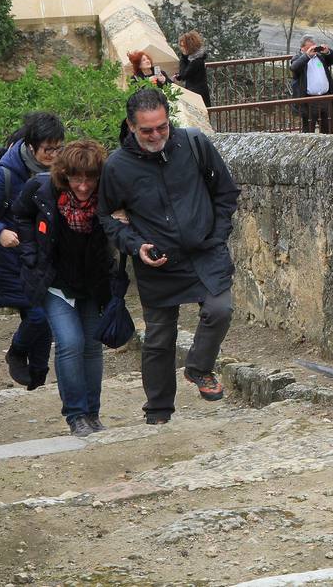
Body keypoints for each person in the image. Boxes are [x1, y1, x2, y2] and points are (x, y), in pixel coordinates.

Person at [97, 90, 240, 425]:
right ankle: (158, 411)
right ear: (131, 127)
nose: (157, 135)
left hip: (205, 252)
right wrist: (136, 246)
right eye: (147, 130)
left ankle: (199, 367)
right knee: (160, 339)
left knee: (220, 310)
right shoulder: (118, 166)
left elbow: (226, 192)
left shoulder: (193, 144)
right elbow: (107, 217)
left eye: (162, 127)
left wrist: (217, 234)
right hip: (158, 263)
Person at [14, 140, 127, 438]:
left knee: (92, 346)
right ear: (64, 175)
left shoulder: (108, 198)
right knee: (70, 342)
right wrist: (30, 254)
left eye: (90, 178)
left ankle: (92, 413)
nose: (83, 186)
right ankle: (75, 414)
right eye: (77, 178)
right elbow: (20, 216)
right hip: (54, 282)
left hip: (92, 282)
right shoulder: (41, 191)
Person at [0, 111, 65, 390]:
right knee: (38, 316)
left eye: (58, 148)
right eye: (48, 150)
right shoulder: (7, 174)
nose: (54, 155)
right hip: (13, 257)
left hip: (45, 255)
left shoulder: (60, 168)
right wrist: (0, 232)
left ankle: (38, 369)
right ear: (32, 146)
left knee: (42, 318)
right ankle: (17, 352)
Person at [289, 35, 333, 134]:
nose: (313, 50)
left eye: (314, 47)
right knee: (308, 132)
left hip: (326, 98)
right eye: (310, 48)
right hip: (309, 101)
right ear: (303, 48)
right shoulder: (298, 58)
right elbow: (294, 68)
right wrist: (307, 56)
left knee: (328, 130)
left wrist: (328, 51)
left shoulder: (320, 57)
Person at [176, 31, 212, 108]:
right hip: (196, 92)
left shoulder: (196, 61)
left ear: (190, 46)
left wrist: (183, 58)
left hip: (198, 95)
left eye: (184, 46)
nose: (182, 49)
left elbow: (183, 75)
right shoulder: (193, 58)